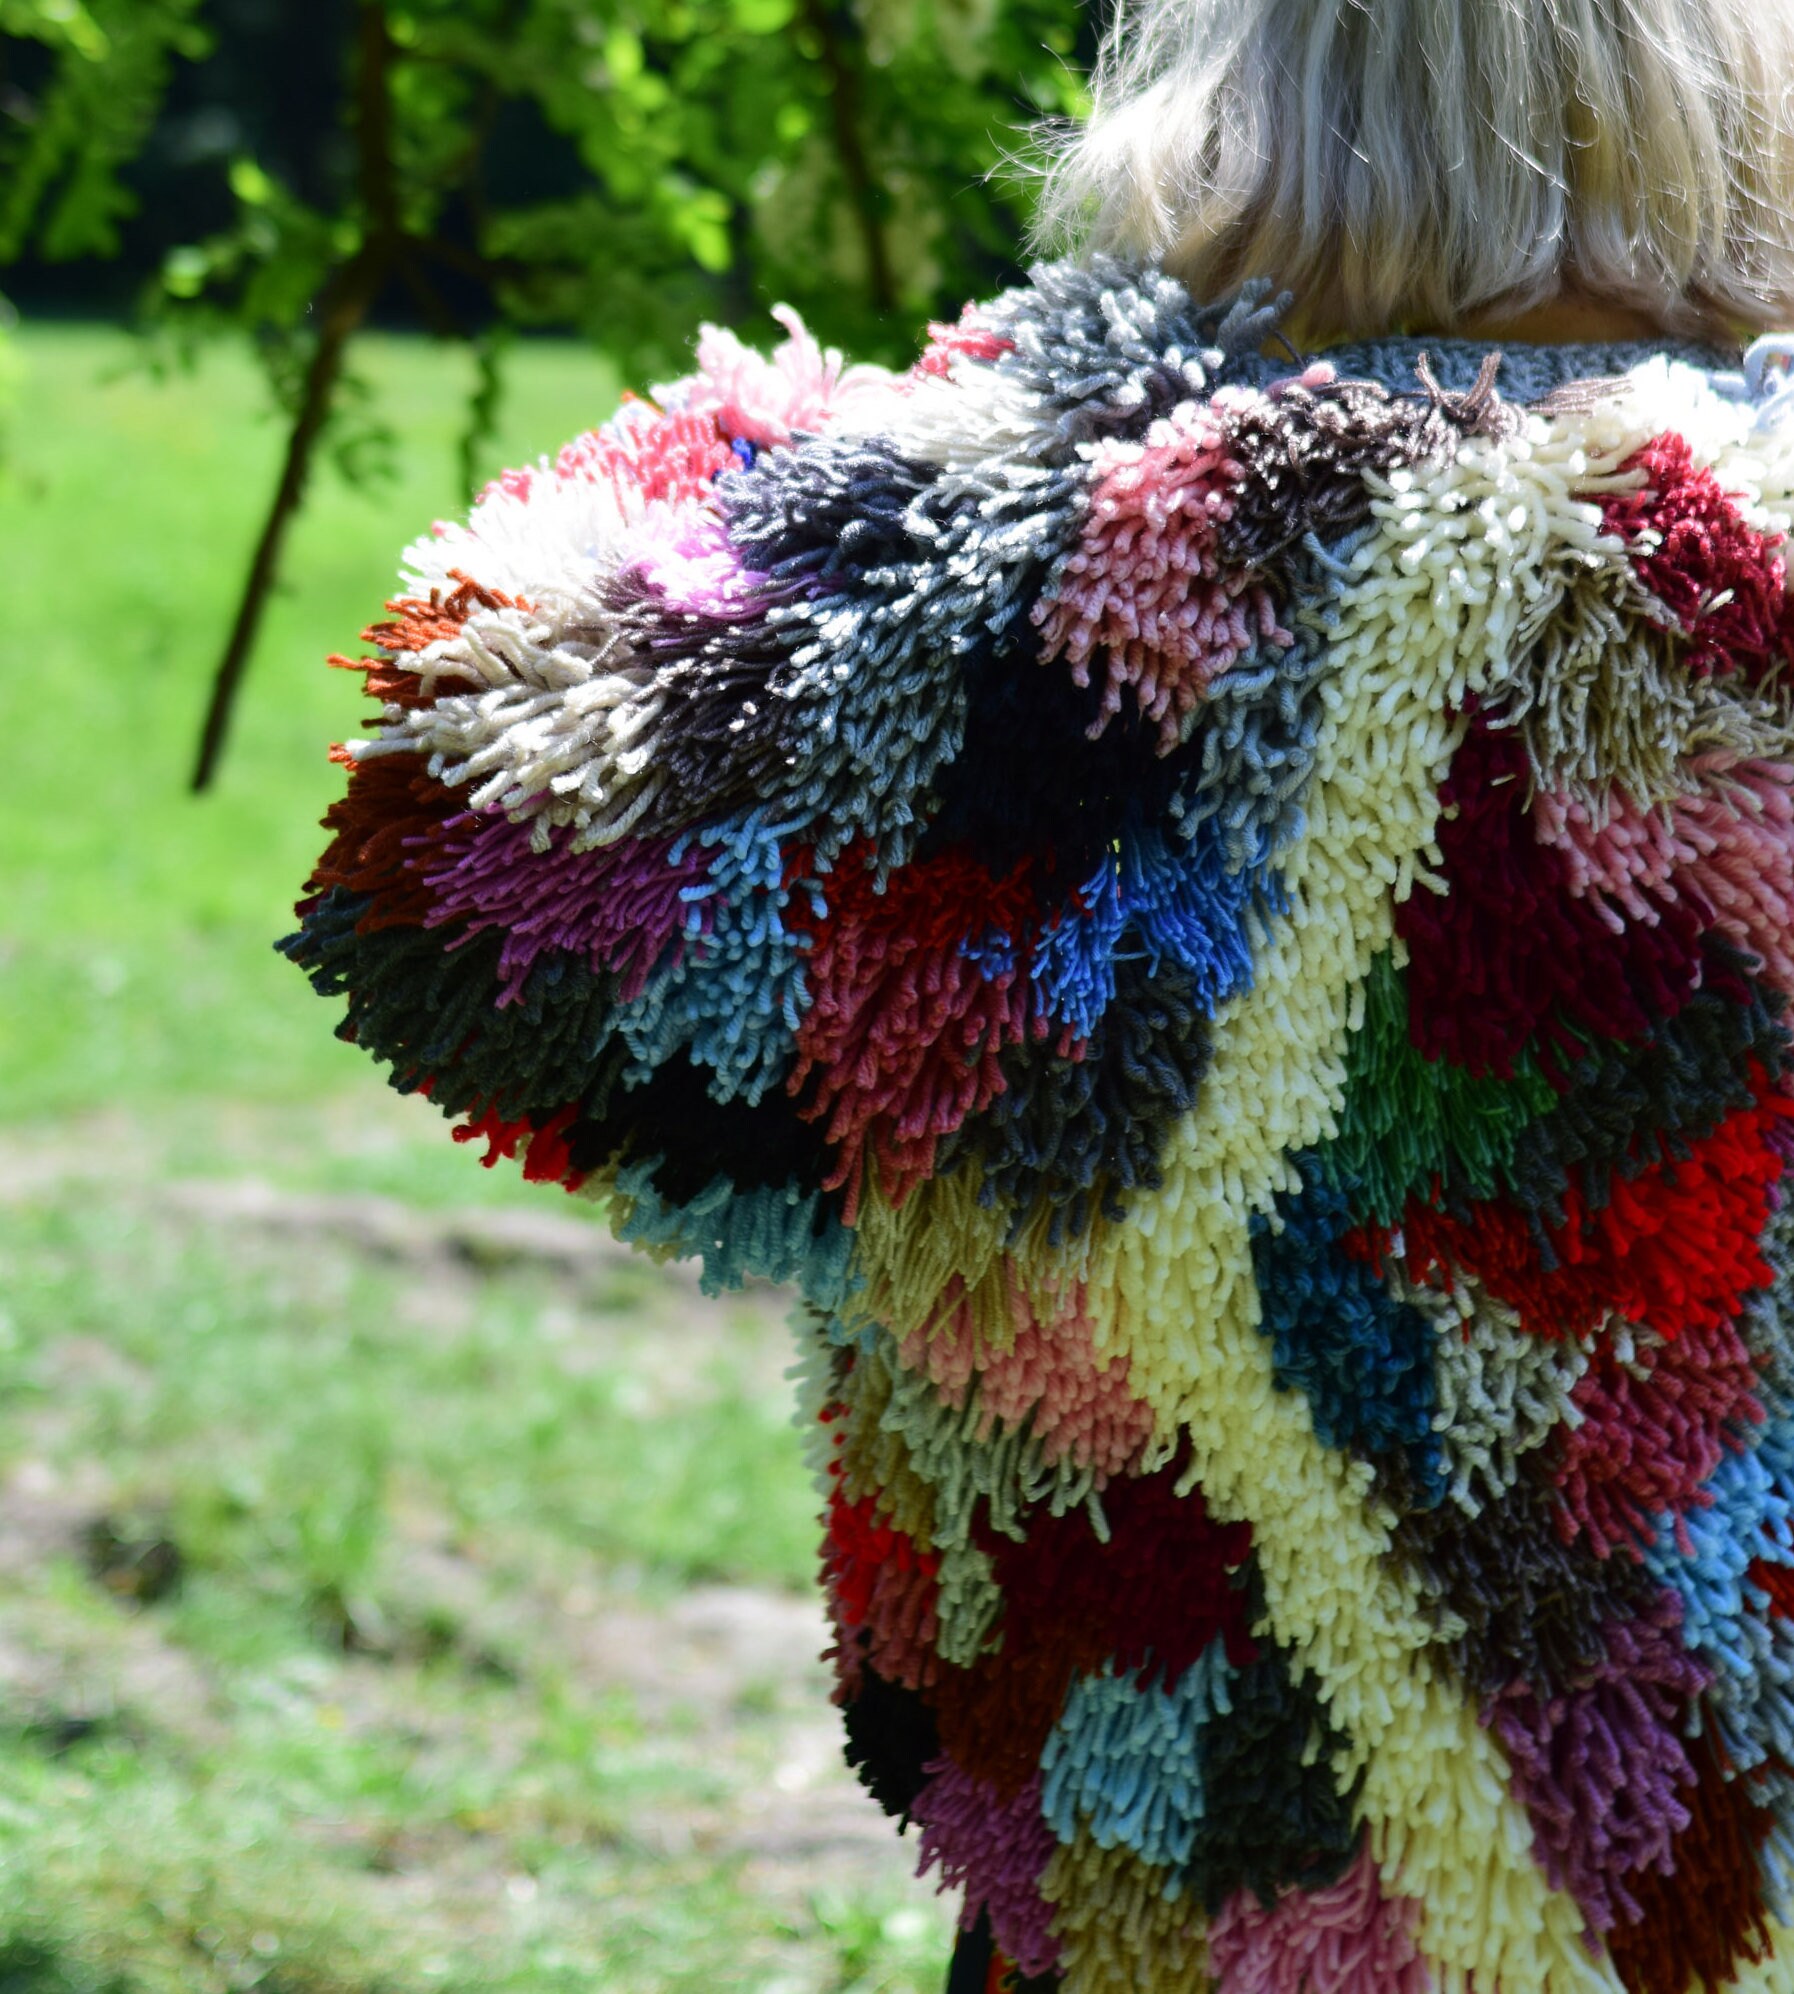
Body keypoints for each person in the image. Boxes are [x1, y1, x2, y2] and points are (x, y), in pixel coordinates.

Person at [285, 1, 1794, 1987]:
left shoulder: (1007, 543)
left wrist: (947, 409)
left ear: (1233, 97)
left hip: (1152, 1843)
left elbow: (450, 870)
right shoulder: (1735, 557)